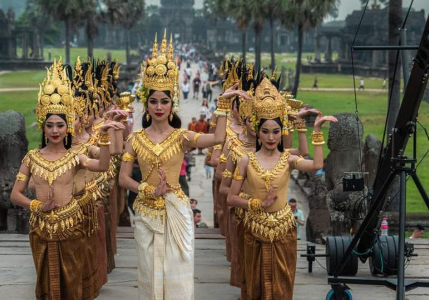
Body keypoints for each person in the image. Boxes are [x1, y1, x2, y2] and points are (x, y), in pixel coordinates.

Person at [120, 31, 247, 300]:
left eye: (164, 101)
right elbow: (123, 179)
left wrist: (223, 105)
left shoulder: (182, 137)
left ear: (172, 103)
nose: (158, 106)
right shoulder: (135, 139)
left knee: (177, 269)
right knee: (148, 271)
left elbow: (217, 137)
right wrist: (146, 190)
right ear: (146, 101)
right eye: (153, 101)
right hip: (145, 210)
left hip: (176, 209)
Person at [10, 59, 124, 300]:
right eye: (49, 125)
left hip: (72, 226)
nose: (54, 130)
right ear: (42, 127)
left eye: (60, 125)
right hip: (40, 227)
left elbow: (103, 165)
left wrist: (104, 136)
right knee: (44, 283)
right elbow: (16, 194)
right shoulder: (31, 158)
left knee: (72, 281)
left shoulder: (75, 156)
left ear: (67, 127)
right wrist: (38, 206)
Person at [227, 74, 337, 299]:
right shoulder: (247, 160)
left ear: (281, 133)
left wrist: (314, 131)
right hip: (253, 229)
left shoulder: (287, 159)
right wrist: (257, 203)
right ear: (257, 131)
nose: (271, 137)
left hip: (283, 230)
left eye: (276, 132)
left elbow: (317, 165)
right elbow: (231, 198)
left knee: (282, 286)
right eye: (265, 131)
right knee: (254, 285)